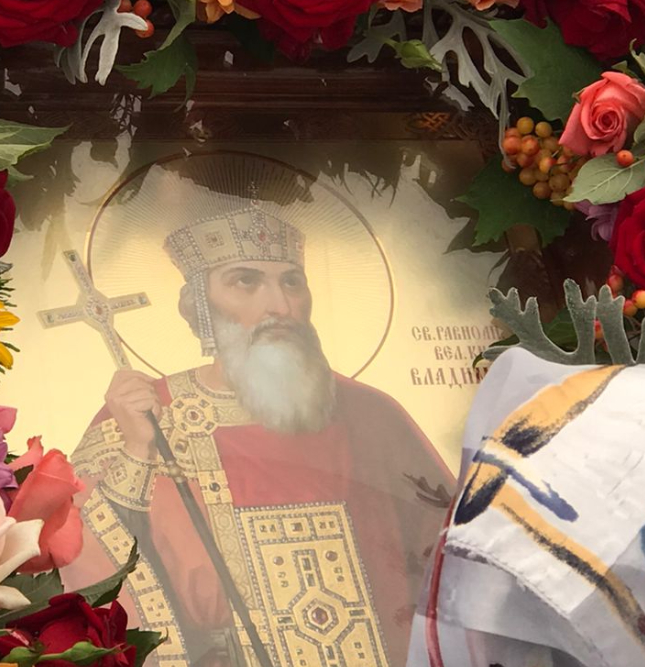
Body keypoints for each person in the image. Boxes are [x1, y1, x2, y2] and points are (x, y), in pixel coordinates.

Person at [67, 202, 454, 667]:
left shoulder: (372, 415)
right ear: (200, 304)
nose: (280, 307)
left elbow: (454, 557)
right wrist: (136, 449)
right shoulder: (145, 414)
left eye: (292, 282)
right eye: (245, 281)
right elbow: (79, 555)